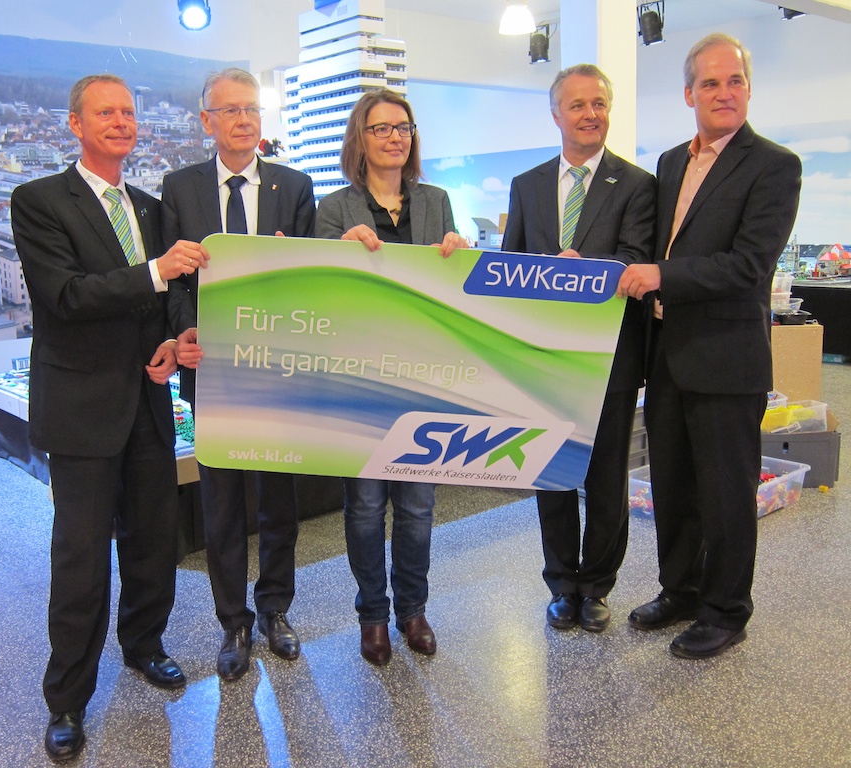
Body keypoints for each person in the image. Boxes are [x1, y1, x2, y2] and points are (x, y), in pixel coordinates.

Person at [12, 74, 199, 761]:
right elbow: (65, 295)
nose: (121, 122)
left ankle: (145, 645)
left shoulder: (148, 207)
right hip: (81, 408)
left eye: (128, 112)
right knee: (82, 558)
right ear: (75, 124)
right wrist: (156, 272)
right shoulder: (39, 201)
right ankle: (66, 698)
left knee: (153, 539)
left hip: (148, 400)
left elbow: (168, 297)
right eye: (105, 112)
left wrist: (174, 337)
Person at [617, 33, 801, 659]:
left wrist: (662, 276)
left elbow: (749, 265)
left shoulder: (774, 165)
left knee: (725, 495)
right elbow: (652, 247)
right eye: (711, 83)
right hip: (667, 353)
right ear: (689, 93)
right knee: (672, 485)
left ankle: (725, 610)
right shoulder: (672, 163)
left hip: (726, 358)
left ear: (748, 89)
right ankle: (682, 590)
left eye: (736, 81)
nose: (725, 93)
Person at [161, 67, 315, 682]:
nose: (245, 120)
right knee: (221, 502)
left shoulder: (294, 187)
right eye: (230, 111)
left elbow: (313, 280)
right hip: (212, 370)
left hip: (277, 370)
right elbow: (175, 282)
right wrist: (183, 333)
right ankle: (233, 621)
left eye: (252, 109)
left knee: (278, 497)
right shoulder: (180, 188)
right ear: (207, 121)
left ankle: (275, 608)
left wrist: (288, 266)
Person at [501, 64, 655, 633]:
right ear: (556, 114)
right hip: (543, 357)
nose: (590, 114)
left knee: (607, 476)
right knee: (552, 472)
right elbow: (510, 266)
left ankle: (597, 587)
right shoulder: (527, 185)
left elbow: (636, 258)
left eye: (599, 104)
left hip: (610, 356)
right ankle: (562, 585)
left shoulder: (636, 185)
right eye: (577, 105)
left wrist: (584, 270)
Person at [315, 89, 467, 665]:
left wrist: (459, 253)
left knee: (419, 508)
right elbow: (319, 287)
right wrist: (337, 252)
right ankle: (373, 616)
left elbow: (453, 289)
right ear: (361, 138)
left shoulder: (436, 201)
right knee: (364, 508)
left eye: (403, 127)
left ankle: (413, 610)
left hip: (425, 375)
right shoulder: (335, 208)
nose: (395, 137)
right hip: (360, 379)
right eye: (381, 128)